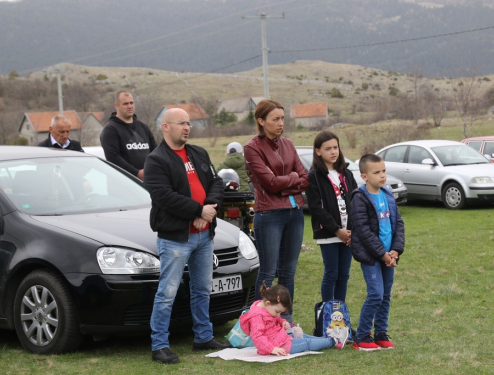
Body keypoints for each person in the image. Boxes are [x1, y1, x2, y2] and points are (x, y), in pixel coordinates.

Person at [143, 108, 229, 365]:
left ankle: (203, 336)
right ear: (166, 127)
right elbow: (163, 196)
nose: (187, 127)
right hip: (175, 238)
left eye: (189, 123)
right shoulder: (156, 160)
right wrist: (197, 210)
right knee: (167, 293)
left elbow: (216, 183)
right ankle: (159, 345)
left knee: (202, 289)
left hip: (204, 235)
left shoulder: (198, 153)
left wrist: (209, 208)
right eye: (181, 123)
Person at [244, 99, 309, 323]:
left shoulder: (289, 144)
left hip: (295, 212)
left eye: (283, 118)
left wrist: (286, 182)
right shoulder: (252, 148)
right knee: (268, 272)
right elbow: (269, 183)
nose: (281, 123)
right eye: (275, 119)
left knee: (288, 272)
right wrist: (291, 179)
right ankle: (259, 320)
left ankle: (286, 321)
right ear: (261, 121)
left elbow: (305, 178)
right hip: (269, 214)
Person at [349, 154, 405, 351]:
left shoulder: (388, 195)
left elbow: (398, 223)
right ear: (364, 176)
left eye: (383, 171)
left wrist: (396, 251)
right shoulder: (359, 198)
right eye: (376, 172)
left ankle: (380, 333)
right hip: (371, 257)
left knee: (386, 295)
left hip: (389, 256)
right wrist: (383, 254)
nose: (382, 176)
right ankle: (362, 336)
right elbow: (363, 232)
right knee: (376, 294)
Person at [305, 130, 357, 303]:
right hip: (329, 233)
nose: (333, 152)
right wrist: (336, 230)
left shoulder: (346, 174)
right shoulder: (313, 177)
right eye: (328, 149)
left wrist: (350, 231)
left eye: (336, 147)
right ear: (318, 151)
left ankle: (340, 318)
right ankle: (327, 317)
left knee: (344, 275)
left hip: (348, 234)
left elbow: (356, 202)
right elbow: (316, 208)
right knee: (331, 273)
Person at [239, 282, 348, 355]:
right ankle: (334, 341)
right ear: (267, 303)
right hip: (278, 345)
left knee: (304, 336)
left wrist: (282, 321)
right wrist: (272, 349)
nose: (278, 315)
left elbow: (273, 318)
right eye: (277, 312)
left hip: (280, 337)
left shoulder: (266, 307)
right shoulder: (257, 316)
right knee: (306, 343)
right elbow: (257, 337)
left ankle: (330, 337)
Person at [101, 91, 157, 180]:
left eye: (131, 103)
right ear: (116, 106)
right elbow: (113, 158)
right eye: (125, 104)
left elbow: (155, 151)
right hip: (124, 185)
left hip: (148, 182)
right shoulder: (110, 130)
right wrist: (136, 173)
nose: (130, 106)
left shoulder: (143, 127)